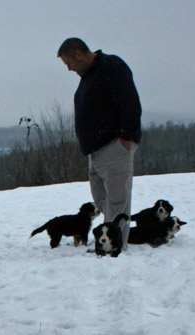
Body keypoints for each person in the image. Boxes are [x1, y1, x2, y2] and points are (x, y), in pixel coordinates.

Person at [57, 37, 142, 252]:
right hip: (95, 152)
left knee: (117, 201)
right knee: (102, 200)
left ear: (78, 53)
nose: (69, 69)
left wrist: (126, 136)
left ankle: (114, 247)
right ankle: (107, 238)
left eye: (69, 63)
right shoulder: (88, 76)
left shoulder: (111, 67)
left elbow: (129, 101)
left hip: (114, 146)